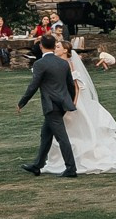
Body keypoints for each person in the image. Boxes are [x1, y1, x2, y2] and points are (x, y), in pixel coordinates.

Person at [59, 37, 116, 173]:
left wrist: (73, 103)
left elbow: (77, 85)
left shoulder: (69, 64)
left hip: (75, 100)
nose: (55, 49)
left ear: (65, 50)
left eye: (58, 47)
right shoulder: (60, 63)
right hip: (67, 98)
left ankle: (85, 153)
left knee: (79, 125)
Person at [17, 39, 79, 177]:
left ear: (41, 46)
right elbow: (70, 85)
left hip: (51, 105)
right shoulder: (63, 63)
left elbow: (34, 85)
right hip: (61, 104)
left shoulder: (40, 64)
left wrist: (22, 102)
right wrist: (68, 101)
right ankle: (37, 165)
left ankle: (71, 168)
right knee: (45, 134)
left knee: (62, 137)